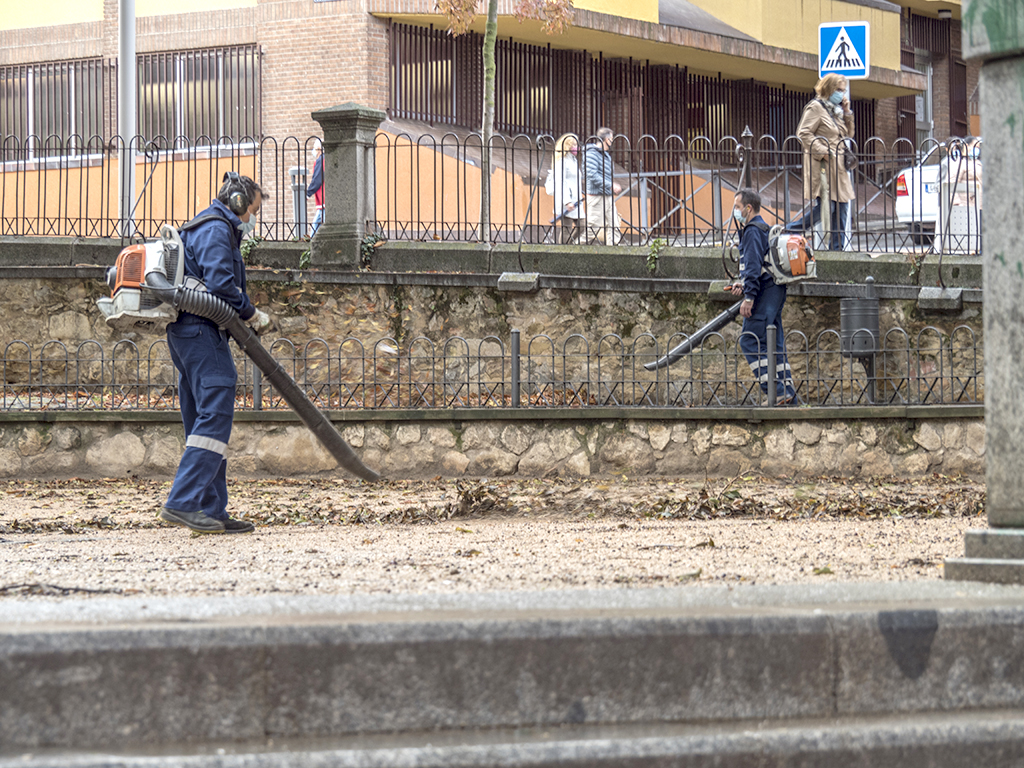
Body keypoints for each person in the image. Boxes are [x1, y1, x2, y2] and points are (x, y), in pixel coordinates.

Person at [159, 172, 273, 534]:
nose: (252, 218)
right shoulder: (215, 228)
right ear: (239, 203)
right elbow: (222, 284)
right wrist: (251, 312)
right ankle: (183, 502)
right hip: (200, 331)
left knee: (203, 422)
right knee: (216, 409)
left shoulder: (208, 227)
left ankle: (210, 510)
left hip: (192, 331)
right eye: (252, 210)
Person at [728, 188, 799, 405]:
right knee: (774, 343)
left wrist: (749, 296)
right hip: (775, 290)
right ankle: (788, 395)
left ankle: (775, 391)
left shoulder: (751, 231)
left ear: (748, 208)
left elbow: (752, 265)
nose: (735, 212)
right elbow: (761, 266)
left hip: (763, 294)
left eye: (737, 207)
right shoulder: (764, 228)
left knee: (750, 339)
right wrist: (745, 284)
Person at [791, 73, 855, 251]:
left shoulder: (835, 111)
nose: (842, 94)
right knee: (827, 208)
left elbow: (848, 135)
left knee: (841, 211)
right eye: (839, 90)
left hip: (839, 169)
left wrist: (847, 113)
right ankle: (790, 230)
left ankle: (837, 252)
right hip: (824, 167)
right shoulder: (816, 107)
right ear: (828, 88)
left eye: (843, 91)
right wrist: (822, 151)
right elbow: (803, 133)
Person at [584, 127, 621, 245]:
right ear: (606, 139)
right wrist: (610, 185)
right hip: (596, 196)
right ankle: (576, 248)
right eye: (611, 138)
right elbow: (591, 175)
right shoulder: (592, 153)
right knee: (593, 228)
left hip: (607, 195)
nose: (612, 141)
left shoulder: (605, 155)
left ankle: (613, 250)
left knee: (614, 224)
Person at [545, 133, 583, 243]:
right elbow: (560, 182)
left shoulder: (573, 161)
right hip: (567, 201)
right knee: (566, 228)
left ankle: (567, 245)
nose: (577, 147)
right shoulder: (562, 161)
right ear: (567, 146)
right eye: (574, 144)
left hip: (575, 201)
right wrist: (567, 201)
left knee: (582, 225)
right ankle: (563, 250)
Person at [307, 146, 324, 238]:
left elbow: (317, 179)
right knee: (316, 225)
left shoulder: (320, 160)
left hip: (323, 200)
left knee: (319, 226)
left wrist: (308, 193)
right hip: (322, 202)